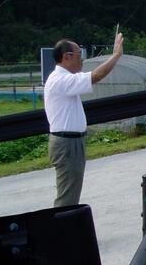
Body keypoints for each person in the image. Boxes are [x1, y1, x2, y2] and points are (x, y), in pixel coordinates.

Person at [44, 34, 124, 207]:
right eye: (79, 55)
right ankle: (63, 224)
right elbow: (95, 76)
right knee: (67, 197)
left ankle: (67, 222)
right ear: (67, 57)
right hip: (67, 143)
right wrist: (116, 56)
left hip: (71, 142)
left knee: (71, 193)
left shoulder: (64, 78)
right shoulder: (60, 80)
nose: (82, 60)